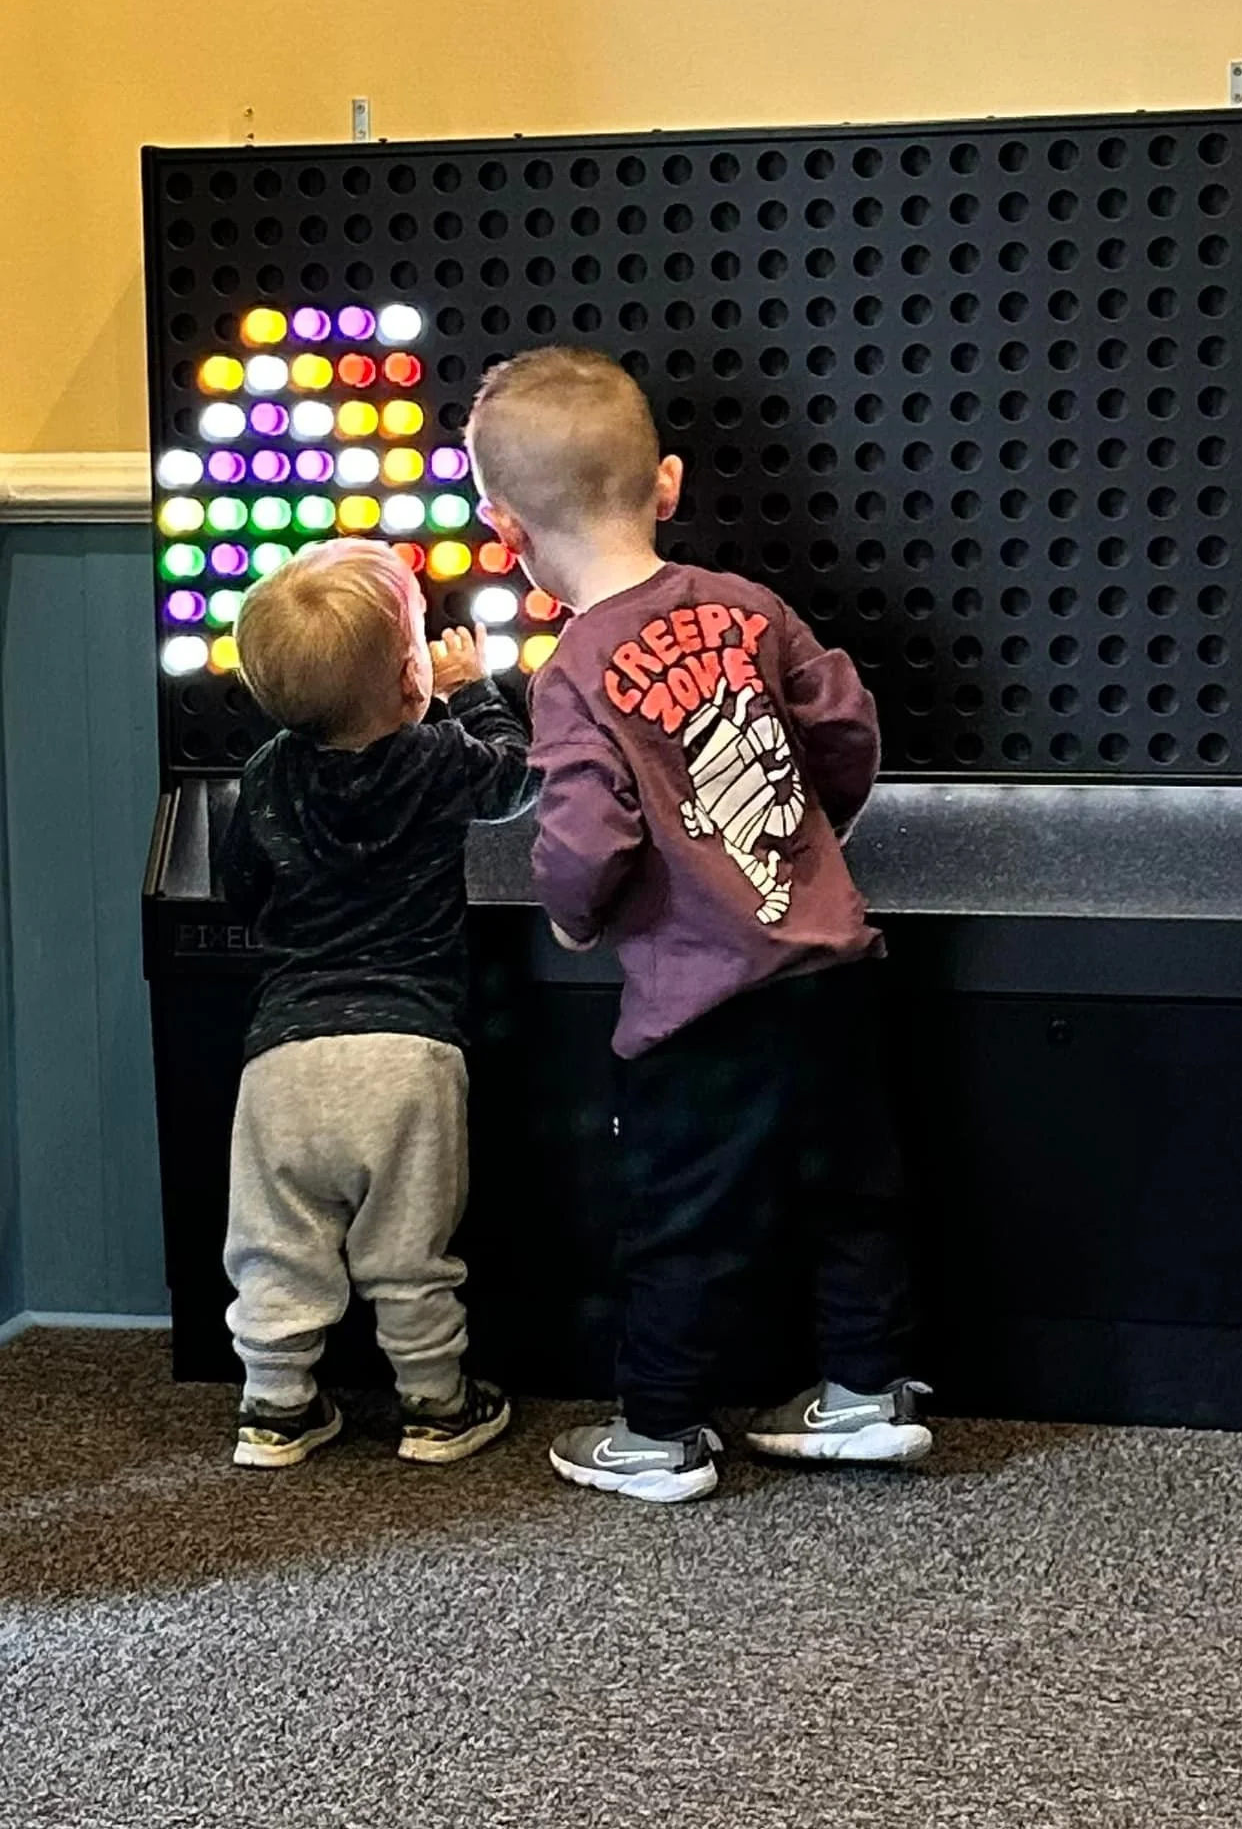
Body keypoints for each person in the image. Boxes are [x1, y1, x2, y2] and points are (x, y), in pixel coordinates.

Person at [467, 345, 931, 1505]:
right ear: (665, 483)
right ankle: (869, 1393)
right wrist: (811, 837)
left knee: (680, 1214)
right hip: (835, 965)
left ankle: (663, 1430)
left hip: (702, 1004)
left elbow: (585, 836)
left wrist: (577, 920)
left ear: (504, 528)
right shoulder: (750, 606)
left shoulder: (574, 665)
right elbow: (847, 730)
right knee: (854, 1191)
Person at [217, 538, 533, 1468]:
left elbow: (242, 886)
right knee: (409, 1251)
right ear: (410, 677)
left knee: (275, 1247)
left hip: (282, 1058)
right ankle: (437, 1404)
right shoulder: (437, 755)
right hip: (407, 1050)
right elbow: (513, 778)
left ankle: (275, 1408)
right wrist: (472, 689)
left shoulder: (266, 774)